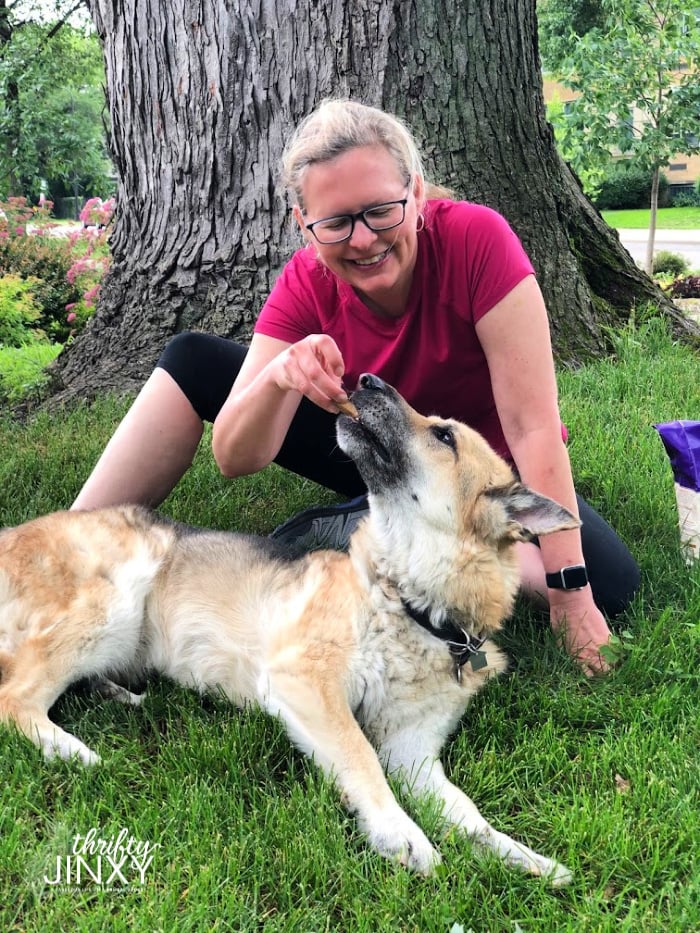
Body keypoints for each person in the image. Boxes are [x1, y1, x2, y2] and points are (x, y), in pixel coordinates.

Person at [72, 98, 640, 675]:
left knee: (612, 585)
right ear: (304, 226)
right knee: (191, 357)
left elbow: (533, 427)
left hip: (472, 470)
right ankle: (70, 551)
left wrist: (571, 595)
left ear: (416, 194)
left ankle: (363, 528)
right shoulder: (305, 283)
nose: (364, 240)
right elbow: (235, 457)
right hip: (368, 448)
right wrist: (279, 376)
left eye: (381, 211)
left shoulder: (477, 240)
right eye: (336, 222)